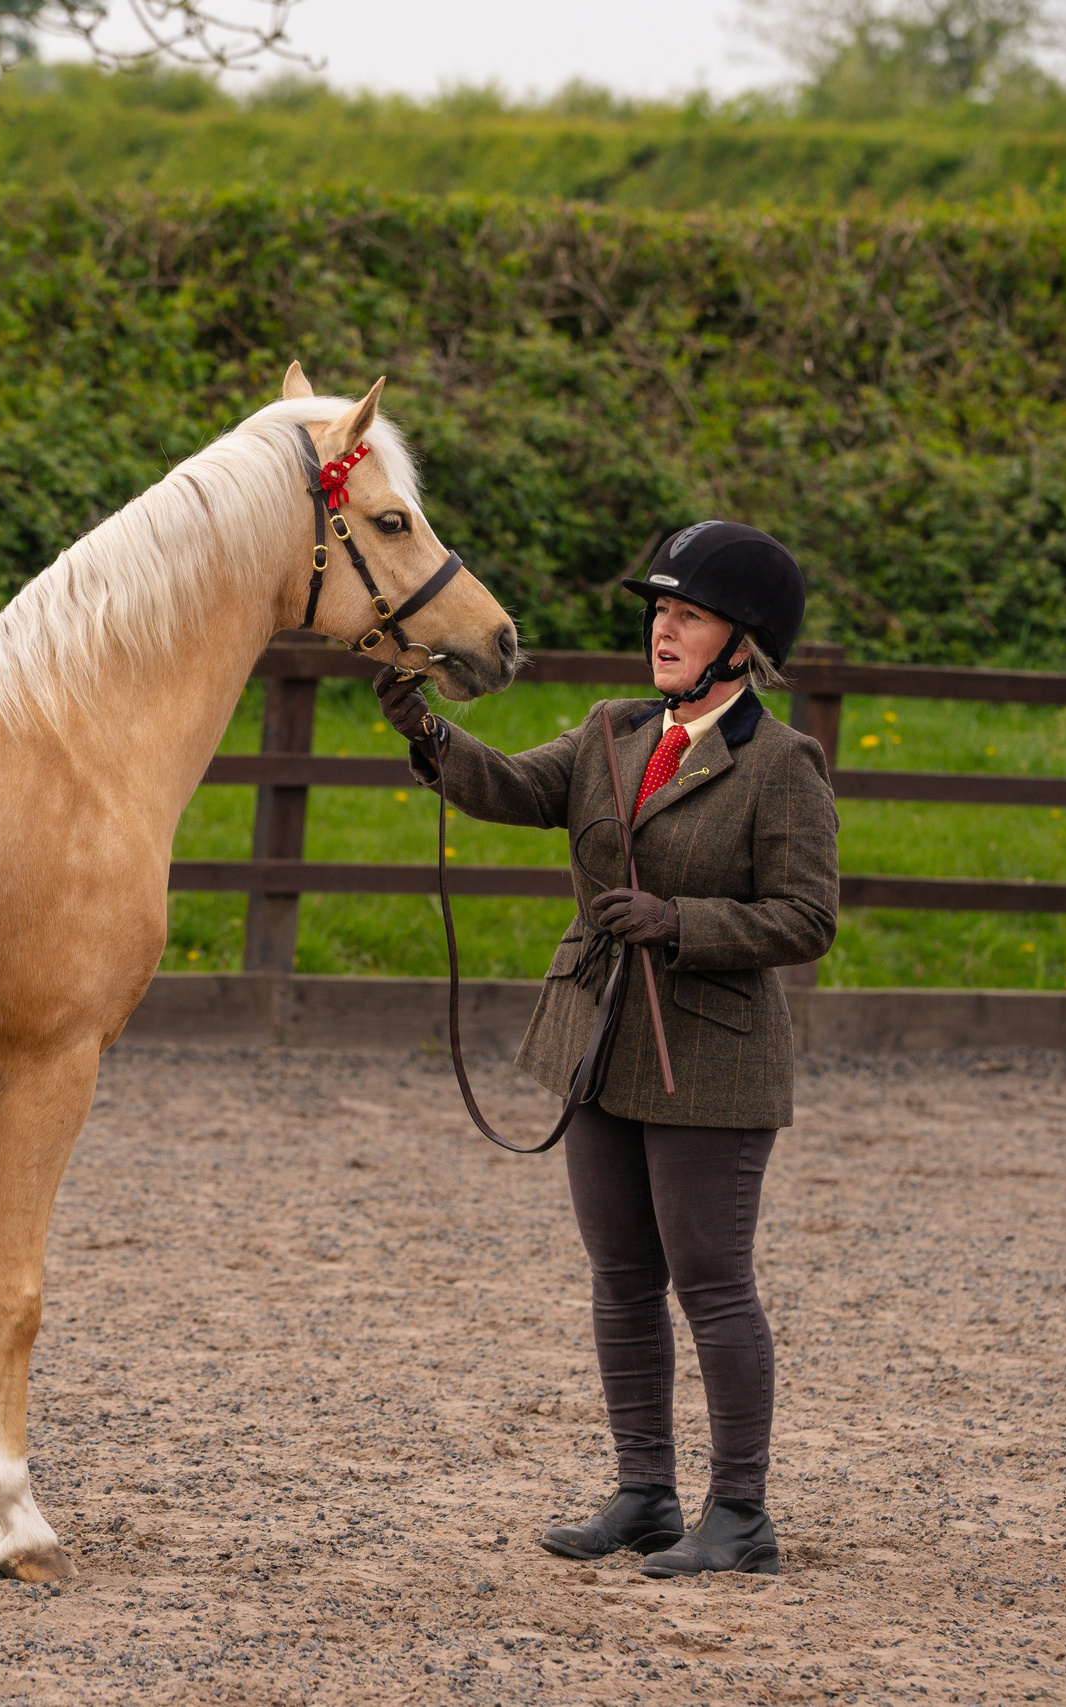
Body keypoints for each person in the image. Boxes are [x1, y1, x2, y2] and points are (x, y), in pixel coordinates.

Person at [376, 520, 839, 1578]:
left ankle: (741, 1514)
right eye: (658, 612)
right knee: (620, 1278)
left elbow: (807, 920)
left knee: (712, 1284)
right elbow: (519, 791)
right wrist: (431, 739)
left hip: (710, 1058)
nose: (662, 629)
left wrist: (683, 922)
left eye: (686, 614)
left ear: (743, 640)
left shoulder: (781, 763)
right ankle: (642, 1491)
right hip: (599, 1041)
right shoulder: (611, 732)